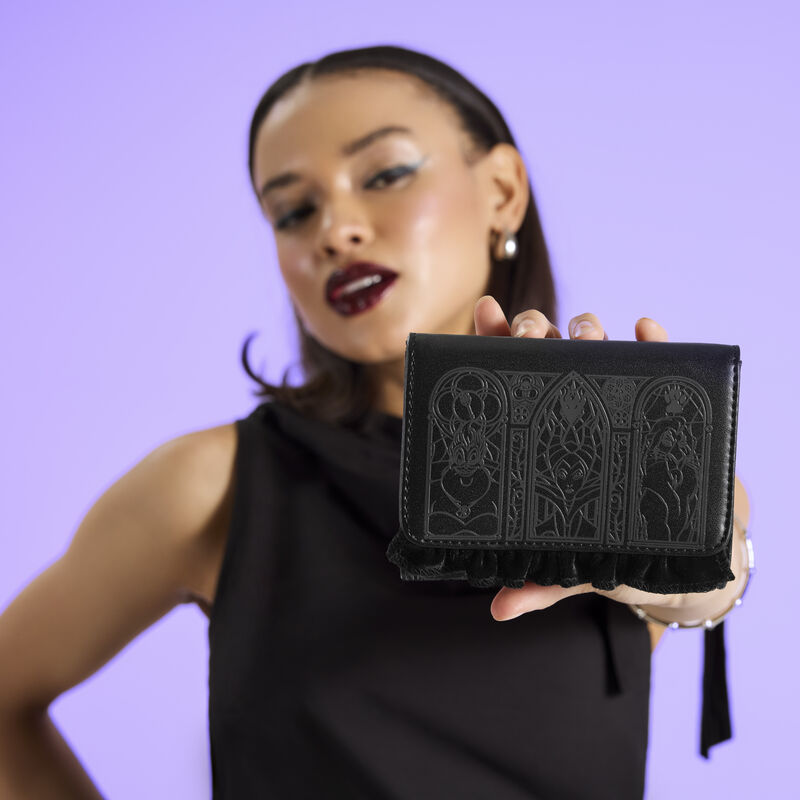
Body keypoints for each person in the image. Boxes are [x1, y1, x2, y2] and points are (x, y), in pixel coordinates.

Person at [0, 44, 751, 799]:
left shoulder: (629, 459)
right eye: (294, 211)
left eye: (385, 174)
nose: (334, 232)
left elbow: (713, 579)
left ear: (501, 191)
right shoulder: (214, 485)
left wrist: (684, 571)